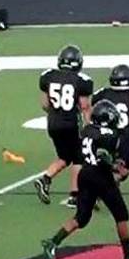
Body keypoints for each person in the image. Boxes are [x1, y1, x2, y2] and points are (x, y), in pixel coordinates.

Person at [40, 100, 129, 259]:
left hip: (85, 173)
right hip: (100, 176)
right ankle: (127, 255)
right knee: (121, 215)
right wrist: (117, 168)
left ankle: (53, 242)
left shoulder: (87, 130)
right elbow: (102, 156)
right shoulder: (110, 135)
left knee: (82, 217)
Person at [34, 46, 94, 207]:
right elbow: (85, 106)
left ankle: (45, 178)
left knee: (65, 157)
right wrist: (90, 126)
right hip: (71, 122)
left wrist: (56, 111)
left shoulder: (48, 76)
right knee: (79, 157)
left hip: (53, 122)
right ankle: (75, 195)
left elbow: (45, 104)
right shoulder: (82, 80)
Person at [91, 64, 129, 181]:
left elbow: (93, 109)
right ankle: (110, 185)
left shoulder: (103, 93)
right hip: (124, 138)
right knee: (122, 171)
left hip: (103, 136)